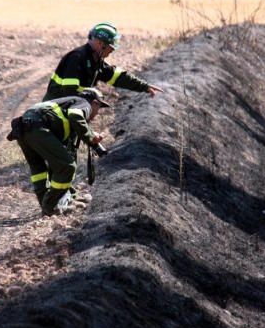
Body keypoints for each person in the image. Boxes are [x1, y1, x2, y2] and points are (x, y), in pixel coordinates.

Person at [9, 88, 109, 216]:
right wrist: (90, 136)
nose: (97, 114)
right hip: (38, 127)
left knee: (38, 169)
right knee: (67, 166)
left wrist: (72, 194)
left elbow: (66, 152)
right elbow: (75, 115)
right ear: (95, 103)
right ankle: (49, 206)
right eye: (99, 108)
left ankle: (49, 204)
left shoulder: (66, 105)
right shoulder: (84, 103)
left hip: (23, 128)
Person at [43, 22, 163, 102]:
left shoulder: (95, 61)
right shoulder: (77, 58)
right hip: (53, 114)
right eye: (111, 47)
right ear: (101, 43)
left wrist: (144, 86)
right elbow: (70, 93)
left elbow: (118, 77)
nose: (112, 50)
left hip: (67, 111)